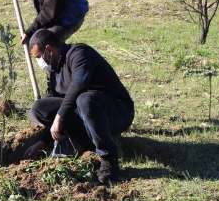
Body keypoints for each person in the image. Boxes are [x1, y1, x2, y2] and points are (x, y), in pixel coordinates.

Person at [23, 29, 135, 184]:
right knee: (40, 108)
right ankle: (87, 143)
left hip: (118, 112)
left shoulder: (80, 53)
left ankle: (109, 161)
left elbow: (80, 83)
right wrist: (43, 142)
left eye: (39, 56)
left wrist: (59, 117)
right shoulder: (55, 72)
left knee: (85, 99)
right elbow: (58, 108)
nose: (40, 62)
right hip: (88, 113)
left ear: (49, 49)